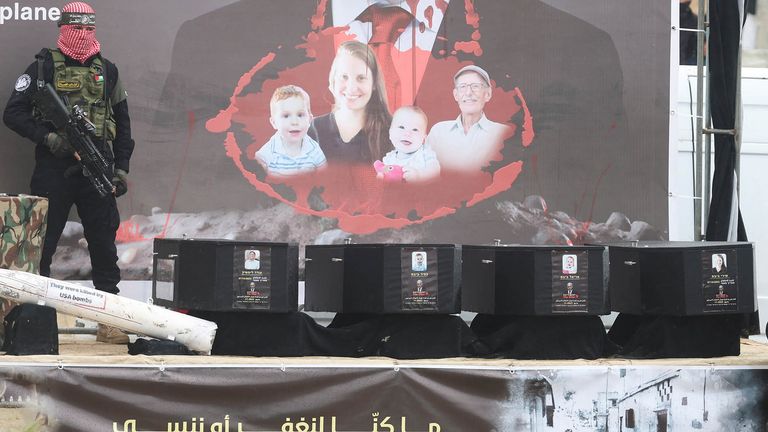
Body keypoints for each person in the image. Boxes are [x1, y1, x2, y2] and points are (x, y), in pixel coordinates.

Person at [3, 2, 135, 344]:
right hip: (53, 167)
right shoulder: (42, 68)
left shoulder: (109, 71)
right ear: (63, 28)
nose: (84, 36)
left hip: (97, 165)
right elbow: (13, 113)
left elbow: (123, 125)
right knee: (41, 246)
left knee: (104, 245)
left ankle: (111, 321)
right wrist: (50, 139)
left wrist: (120, 170)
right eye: (78, 29)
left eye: (90, 29)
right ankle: (37, 322)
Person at [309, 40, 392, 165]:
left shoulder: (393, 131)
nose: (352, 88)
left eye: (361, 78)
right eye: (344, 76)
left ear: (374, 83)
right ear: (333, 80)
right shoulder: (311, 129)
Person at [426, 65, 511, 174]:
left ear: (488, 94)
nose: (468, 93)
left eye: (475, 86)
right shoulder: (438, 131)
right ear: (456, 95)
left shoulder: (503, 134)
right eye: (462, 87)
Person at [255, 85, 326, 176]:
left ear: (309, 120)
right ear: (274, 123)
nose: (294, 122)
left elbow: (325, 177)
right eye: (286, 116)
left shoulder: (314, 150)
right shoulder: (266, 154)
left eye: (300, 115)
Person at [376, 106, 440, 183]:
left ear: (423, 138)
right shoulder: (389, 158)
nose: (407, 133)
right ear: (390, 133)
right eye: (401, 127)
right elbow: (383, 171)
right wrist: (381, 176)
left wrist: (419, 176)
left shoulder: (425, 154)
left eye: (415, 130)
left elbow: (435, 171)